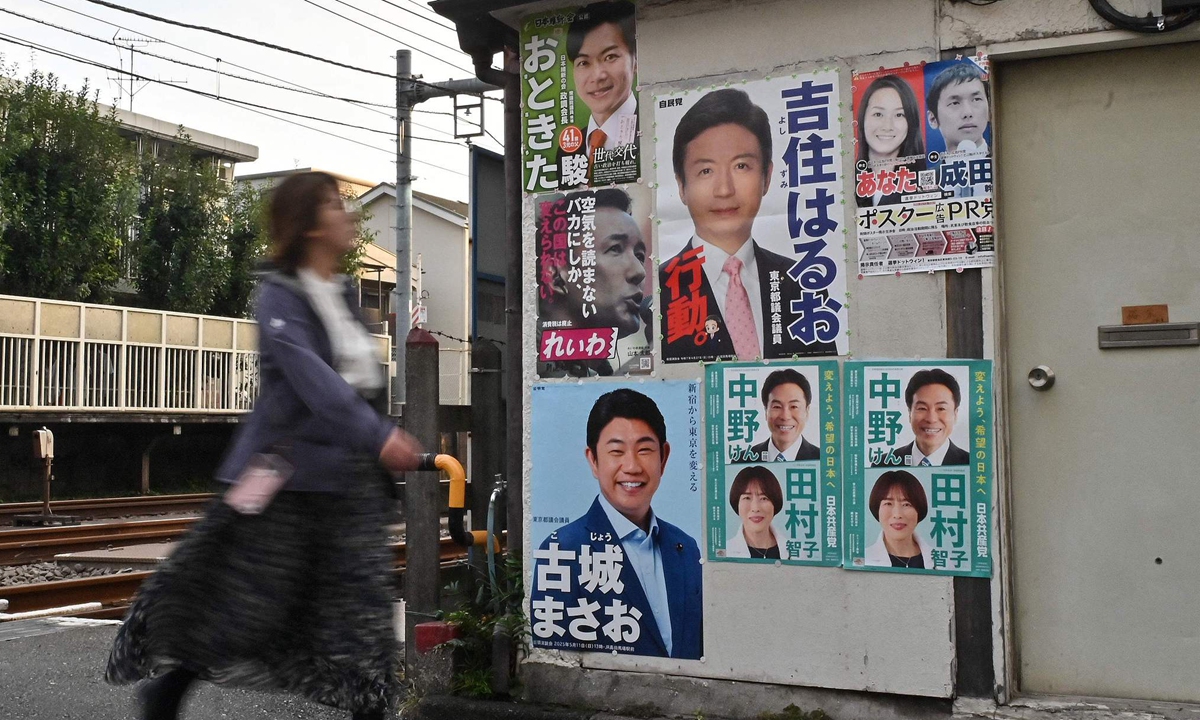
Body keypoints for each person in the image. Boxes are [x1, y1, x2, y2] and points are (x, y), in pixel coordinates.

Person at [106, 172, 422, 720]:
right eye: (333, 205)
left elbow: (362, 380)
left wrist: (375, 440)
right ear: (307, 224)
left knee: (362, 618)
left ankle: (372, 710)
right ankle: (168, 689)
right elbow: (310, 375)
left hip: (348, 488)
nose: (346, 214)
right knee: (243, 607)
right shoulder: (279, 294)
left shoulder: (345, 293)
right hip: (287, 482)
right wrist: (379, 435)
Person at [658, 88, 837, 362]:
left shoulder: (802, 283)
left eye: (741, 166)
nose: (724, 189)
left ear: (766, 176)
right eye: (706, 171)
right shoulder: (658, 292)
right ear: (681, 186)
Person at [530, 388, 702, 660]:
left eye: (645, 450)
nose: (632, 466)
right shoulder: (562, 551)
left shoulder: (686, 549)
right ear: (593, 460)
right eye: (616, 451)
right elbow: (556, 667)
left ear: (664, 457)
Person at [538, 188, 649, 377]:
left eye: (639, 256)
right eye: (615, 249)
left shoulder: (599, 371)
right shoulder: (533, 367)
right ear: (555, 274)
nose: (639, 272)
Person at [567, 1, 638, 157]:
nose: (598, 76)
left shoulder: (654, 130)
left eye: (610, 57)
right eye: (584, 63)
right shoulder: (566, 152)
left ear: (636, 59)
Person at [854, 74, 927, 208]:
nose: (887, 126)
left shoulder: (927, 184)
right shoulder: (846, 182)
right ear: (863, 118)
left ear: (910, 121)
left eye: (899, 115)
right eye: (878, 114)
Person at [874, 368, 969, 467]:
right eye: (922, 408)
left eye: (941, 408)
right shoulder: (883, 464)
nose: (931, 419)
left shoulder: (972, 464)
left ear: (955, 414)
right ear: (910, 413)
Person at [737, 369, 819, 463]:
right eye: (777, 407)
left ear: (807, 411)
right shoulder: (743, 460)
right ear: (765, 411)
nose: (785, 416)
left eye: (794, 406)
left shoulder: (822, 459)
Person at [864, 470, 933, 569]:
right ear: (877, 509)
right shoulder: (863, 560)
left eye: (906, 504)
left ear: (919, 509)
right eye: (888, 503)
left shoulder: (943, 561)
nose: (897, 514)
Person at [926, 61, 990, 156]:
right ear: (933, 119)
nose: (967, 113)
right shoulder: (933, 171)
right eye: (955, 103)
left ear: (990, 111)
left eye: (976, 99)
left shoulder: (1008, 161)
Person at [724, 466, 786, 560]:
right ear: (737, 503)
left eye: (764, 498)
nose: (755, 508)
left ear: (775, 503)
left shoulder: (797, 552)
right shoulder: (725, 552)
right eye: (747, 498)